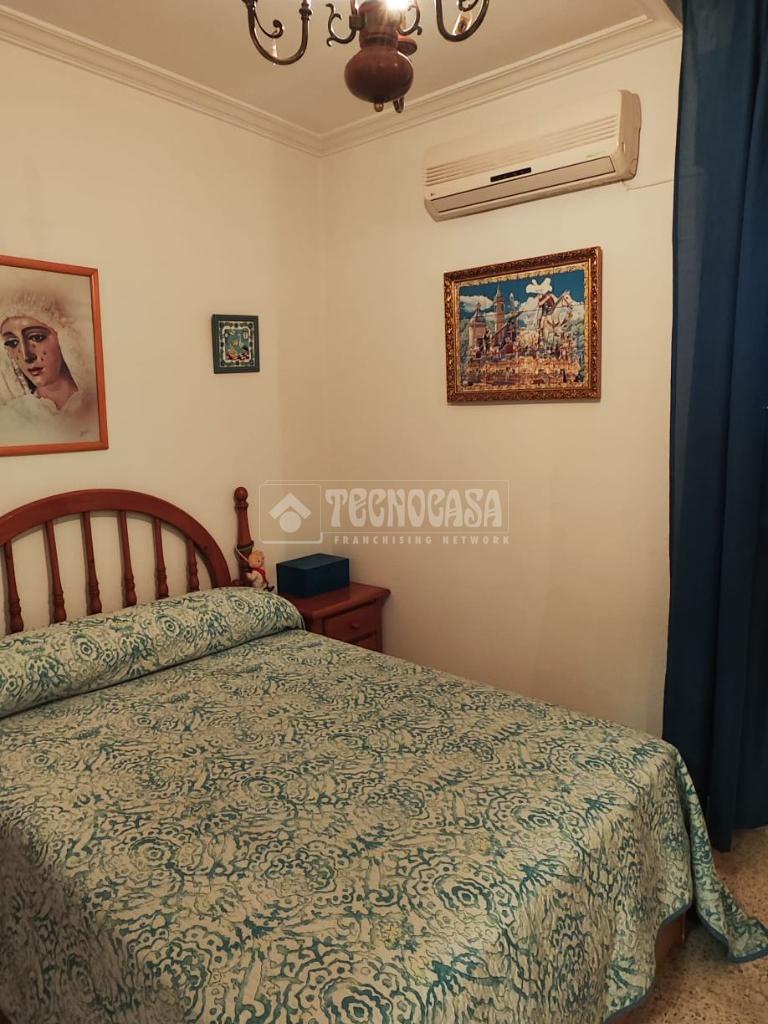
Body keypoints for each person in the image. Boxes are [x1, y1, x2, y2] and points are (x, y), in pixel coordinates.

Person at [0, 292, 99, 445]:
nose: (26, 356)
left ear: (64, 338)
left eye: (37, 337)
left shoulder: (96, 406)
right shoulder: (11, 418)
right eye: (12, 343)